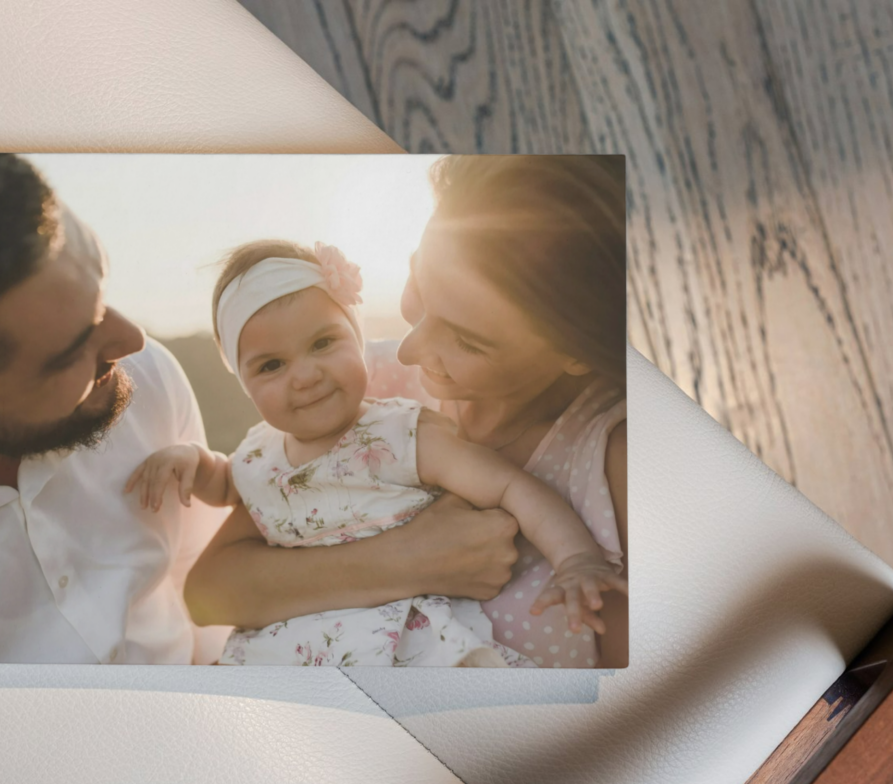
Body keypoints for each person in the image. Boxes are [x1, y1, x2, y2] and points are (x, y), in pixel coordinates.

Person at [184, 156, 628, 668]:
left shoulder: (616, 462)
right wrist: (407, 560)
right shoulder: (344, 392)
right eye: (418, 284)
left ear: (578, 352)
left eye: (466, 340)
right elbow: (208, 592)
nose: (409, 352)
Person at [0, 154, 228, 664]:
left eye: (103, 293)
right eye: (72, 350)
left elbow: (204, 574)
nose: (132, 339)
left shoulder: (147, 377)